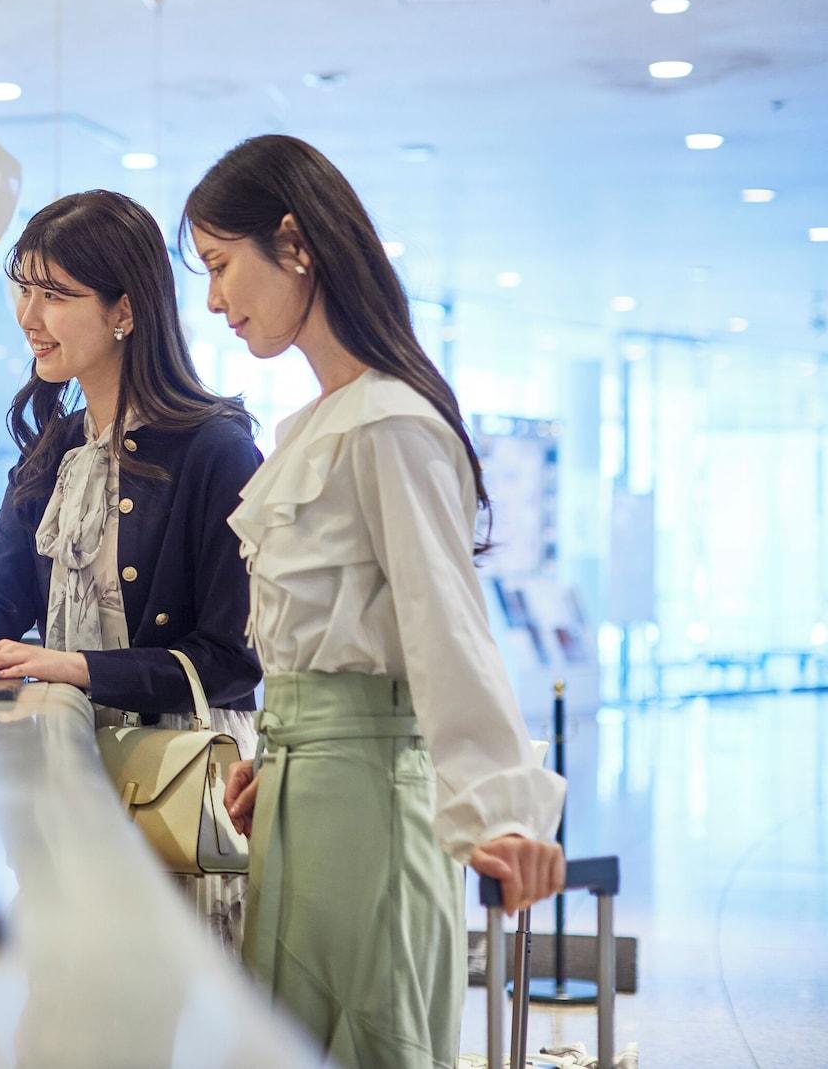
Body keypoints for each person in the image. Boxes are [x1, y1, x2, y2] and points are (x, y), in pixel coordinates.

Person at [183, 135, 565, 1065]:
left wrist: (502, 809)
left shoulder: (391, 421)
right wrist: (288, 758)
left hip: (372, 818)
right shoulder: (316, 425)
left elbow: (446, 629)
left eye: (222, 265)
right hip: (304, 802)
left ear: (294, 242)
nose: (214, 300)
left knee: (370, 1039)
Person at [0, 190, 264, 942]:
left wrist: (77, 667)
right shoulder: (58, 446)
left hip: (179, 785)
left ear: (125, 309)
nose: (29, 316)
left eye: (56, 294)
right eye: (24, 289)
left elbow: (231, 661)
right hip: (73, 775)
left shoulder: (217, 451)